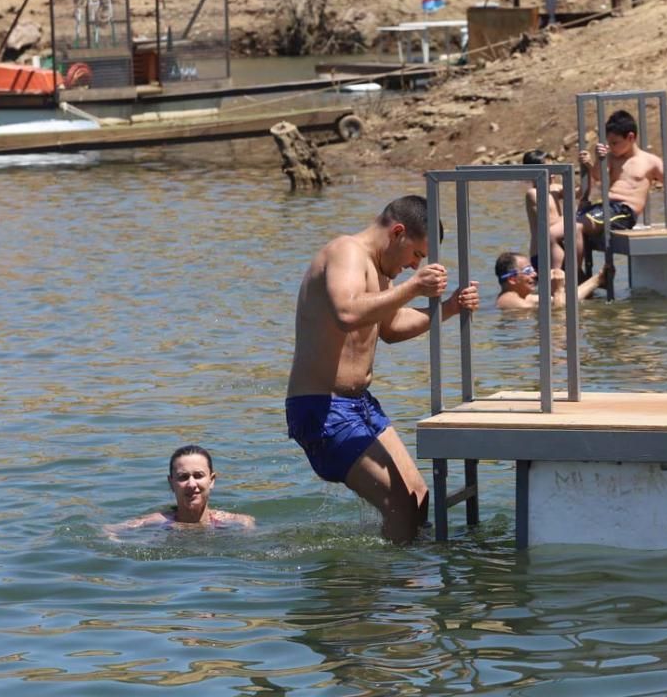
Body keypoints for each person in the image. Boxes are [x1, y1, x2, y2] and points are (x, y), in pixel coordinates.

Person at [286, 195, 480, 543]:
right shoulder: (346, 251)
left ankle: (405, 575)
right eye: (417, 255)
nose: (414, 265)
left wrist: (448, 308)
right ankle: (395, 592)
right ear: (399, 232)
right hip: (322, 407)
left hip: (360, 404)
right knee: (399, 504)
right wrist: (413, 287)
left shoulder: (380, 270)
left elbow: (390, 327)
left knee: (418, 497)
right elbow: (346, 313)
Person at [547, 110, 667, 274]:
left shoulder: (650, 161)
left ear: (631, 137)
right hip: (603, 209)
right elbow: (597, 177)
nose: (612, 147)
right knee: (553, 232)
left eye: (615, 143)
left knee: (575, 228)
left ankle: (573, 280)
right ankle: (556, 279)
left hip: (623, 211)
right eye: (609, 143)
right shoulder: (611, 157)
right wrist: (598, 159)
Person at [103, 444, 254, 539]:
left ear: (212, 480)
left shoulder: (238, 522)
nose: (191, 484)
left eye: (198, 476)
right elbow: (108, 529)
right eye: (183, 477)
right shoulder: (156, 521)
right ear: (171, 483)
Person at [494, 251, 609, 310]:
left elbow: (564, 301)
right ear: (512, 279)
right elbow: (560, 314)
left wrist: (597, 279)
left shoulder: (523, 297)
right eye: (528, 271)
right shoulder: (510, 300)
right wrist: (559, 289)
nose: (534, 274)